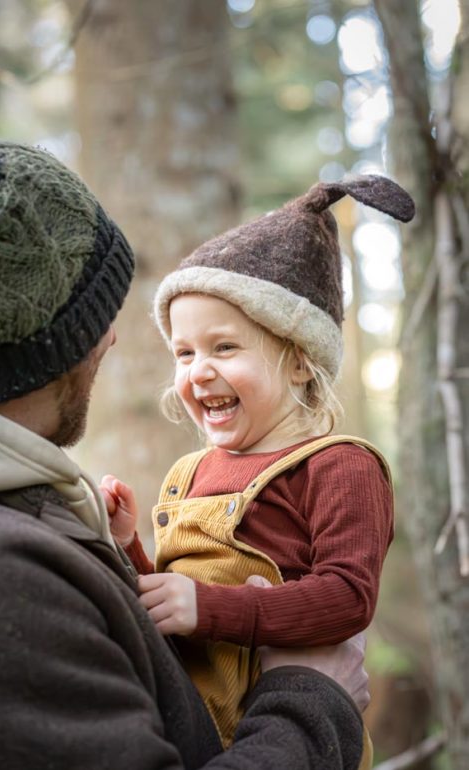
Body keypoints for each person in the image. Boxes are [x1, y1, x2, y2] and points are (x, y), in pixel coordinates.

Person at [0, 136, 370, 770]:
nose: (112, 337)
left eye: (224, 348)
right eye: (99, 312)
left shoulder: (1, 507)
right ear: (47, 347)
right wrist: (315, 700)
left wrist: (126, 556)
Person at [100, 174, 415, 761]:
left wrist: (209, 609)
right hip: (191, 730)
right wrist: (128, 551)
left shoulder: (340, 466)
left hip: (288, 731)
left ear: (299, 361)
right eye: (184, 352)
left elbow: (349, 597)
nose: (197, 370)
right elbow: (172, 607)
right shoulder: (188, 473)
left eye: (224, 347)